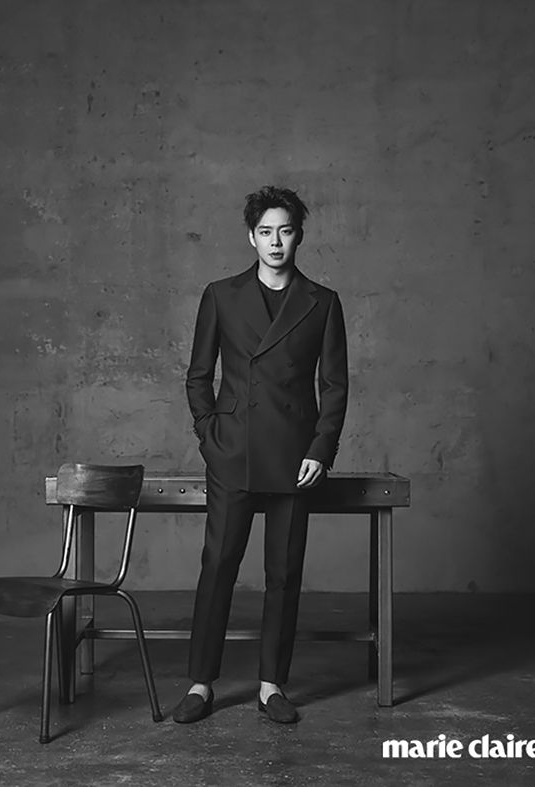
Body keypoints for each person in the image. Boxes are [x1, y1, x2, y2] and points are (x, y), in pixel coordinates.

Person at [172, 186, 348, 724]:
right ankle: (201, 683)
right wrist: (211, 436)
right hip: (233, 453)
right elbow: (198, 376)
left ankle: (272, 686)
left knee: (284, 573)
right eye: (266, 232)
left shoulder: (322, 302)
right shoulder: (221, 295)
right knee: (218, 567)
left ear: (299, 236)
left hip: (295, 459)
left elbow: (334, 385)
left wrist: (321, 449)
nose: (275, 242)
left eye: (285, 231)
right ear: (251, 237)